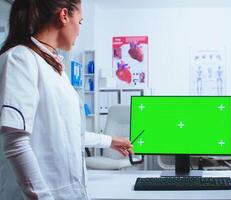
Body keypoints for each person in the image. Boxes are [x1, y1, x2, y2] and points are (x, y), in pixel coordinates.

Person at [0, 0, 133, 199]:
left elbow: (67, 134)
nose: (79, 30)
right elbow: (16, 143)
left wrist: (110, 141)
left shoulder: (55, 68)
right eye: (80, 22)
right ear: (64, 16)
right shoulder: (20, 58)